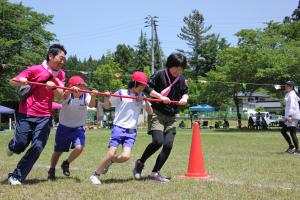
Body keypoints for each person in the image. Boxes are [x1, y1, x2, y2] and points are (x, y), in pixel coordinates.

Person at [6, 44, 67, 185]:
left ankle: (16, 176)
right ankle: (12, 145)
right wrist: (21, 81)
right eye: (61, 58)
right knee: (20, 144)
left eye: (64, 59)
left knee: (38, 146)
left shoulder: (61, 74)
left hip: (45, 116)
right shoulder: (35, 69)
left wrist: (54, 87)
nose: (62, 62)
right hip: (26, 113)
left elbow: (61, 96)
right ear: (50, 56)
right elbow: (12, 82)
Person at [89, 71, 154, 185]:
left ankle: (111, 161)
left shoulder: (142, 96)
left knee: (125, 157)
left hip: (131, 131)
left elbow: (150, 112)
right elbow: (107, 106)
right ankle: (96, 175)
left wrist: (145, 100)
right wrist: (106, 97)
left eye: (144, 86)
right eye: (142, 85)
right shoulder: (121, 92)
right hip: (118, 128)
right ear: (134, 84)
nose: (143, 88)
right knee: (110, 153)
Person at [133, 52, 189, 183]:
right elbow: (146, 88)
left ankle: (155, 172)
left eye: (181, 69)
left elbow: (185, 92)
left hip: (171, 116)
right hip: (157, 113)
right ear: (170, 65)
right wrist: (160, 97)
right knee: (158, 142)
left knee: (168, 144)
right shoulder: (159, 74)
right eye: (176, 67)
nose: (178, 71)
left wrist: (184, 98)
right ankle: (140, 163)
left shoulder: (181, 78)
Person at [47, 75, 97, 180]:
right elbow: (64, 96)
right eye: (80, 86)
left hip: (78, 128)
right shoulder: (68, 95)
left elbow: (91, 105)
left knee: (79, 147)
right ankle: (52, 169)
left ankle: (66, 163)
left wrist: (93, 96)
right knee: (58, 152)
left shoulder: (86, 95)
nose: (83, 88)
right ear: (73, 86)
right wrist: (69, 91)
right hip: (63, 128)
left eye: (84, 86)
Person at [280, 81, 300, 154]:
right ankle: (291, 147)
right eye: (285, 85)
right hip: (290, 116)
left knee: (292, 133)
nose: (285, 86)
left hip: (293, 116)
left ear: (291, 87)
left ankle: (298, 150)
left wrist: (290, 116)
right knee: (283, 131)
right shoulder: (290, 94)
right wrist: (286, 117)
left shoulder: (292, 95)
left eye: (287, 85)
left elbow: (292, 106)